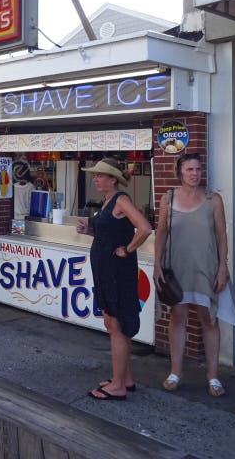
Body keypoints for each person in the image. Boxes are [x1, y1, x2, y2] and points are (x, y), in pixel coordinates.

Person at [154, 153, 235, 397]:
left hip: (206, 267)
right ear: (180, 172)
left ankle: (213, 376)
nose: (194, 173)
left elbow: (222, 236)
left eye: (198, 169)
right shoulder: (167, 198)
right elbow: (160, 232)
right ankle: (175, 372)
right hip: (177, 268)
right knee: (177, 317)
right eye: (189, 169)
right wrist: (157, 264)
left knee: (209, 319)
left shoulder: (214, 200)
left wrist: (223, 267)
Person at [76, 157, 152, 400]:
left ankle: (118, 386)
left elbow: (145, 227)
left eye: (100, 175)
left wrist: (127, 250)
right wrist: (88, 231)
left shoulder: (120, 200)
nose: (95, 178)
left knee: (116, 326)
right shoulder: (108, 201)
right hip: (106, 270)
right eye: (95, 175)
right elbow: (108, 234)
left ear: (113, 179)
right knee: (113, 324)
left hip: (116, 273)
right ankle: (125, 379)